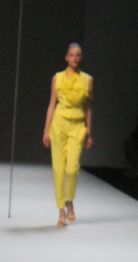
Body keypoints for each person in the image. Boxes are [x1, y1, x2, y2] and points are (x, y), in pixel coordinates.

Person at [42, 43, 93, 227]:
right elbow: (51, 104)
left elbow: (88, 107)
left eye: (77, 55)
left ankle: (69, 199)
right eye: (71, 55)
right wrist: (46, 129)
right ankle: (61, 210)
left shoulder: (88, 80)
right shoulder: (57, 78)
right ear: (66, 57)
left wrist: (89, 132)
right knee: (58, 169)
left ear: (81, 58)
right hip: (59, 124)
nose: (74, 58)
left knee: (72, 169)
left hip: (77, 126)